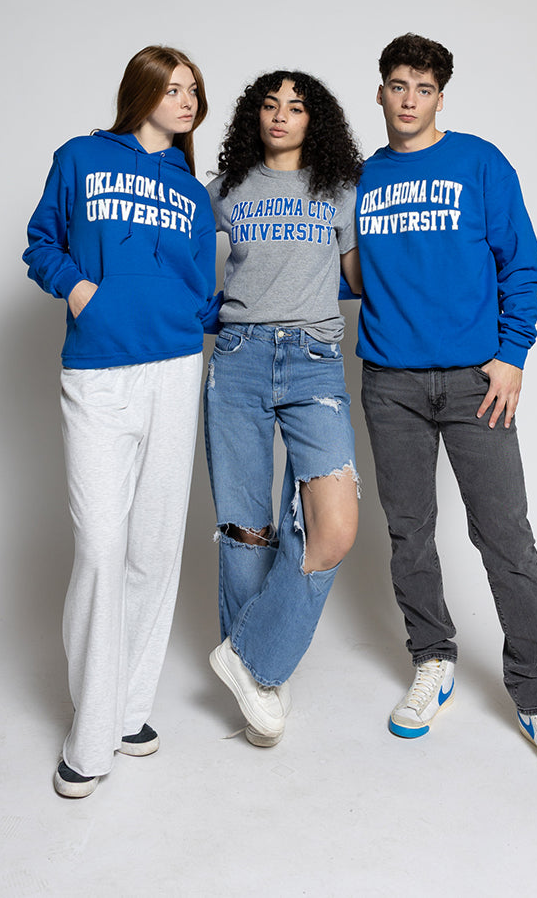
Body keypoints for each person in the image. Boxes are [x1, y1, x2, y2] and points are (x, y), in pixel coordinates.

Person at [357, 32, 537, 782]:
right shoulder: (362, 178)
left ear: (440, 97)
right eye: (397, 85)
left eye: (422, 88)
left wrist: (513, 353)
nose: (408, 99)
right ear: (382, 91)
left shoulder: (480, 163)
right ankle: (432, 658)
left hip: (473, 383)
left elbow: (521, 262)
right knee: (409, 533)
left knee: (506, 538)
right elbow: (350, 272)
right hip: (389, 382)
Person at [23, 45, 216, 797]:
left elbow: (202, 287)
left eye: (195, 89)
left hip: (175, 368)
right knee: (102, 545)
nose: (187, 99)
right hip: (99, 371)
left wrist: (200, 324)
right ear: (140, 91)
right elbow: (42, 242)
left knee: (154, 547)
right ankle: (89, 729)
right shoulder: (81, 158)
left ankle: (130, 708)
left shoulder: (193, 193)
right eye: (173, 88)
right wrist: (79, 292)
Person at [204, 71, 363, 746]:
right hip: (237, 358)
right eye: (269, 104)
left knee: (334, 523)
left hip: (314, 359)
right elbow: (174, 250)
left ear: (314, 121)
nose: (280, 115)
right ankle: (260, 683)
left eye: (296, 107)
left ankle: (250, 656)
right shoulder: (226, 187)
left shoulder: (340, 189)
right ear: (253, 116)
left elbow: (360, 278)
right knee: (247, 526)